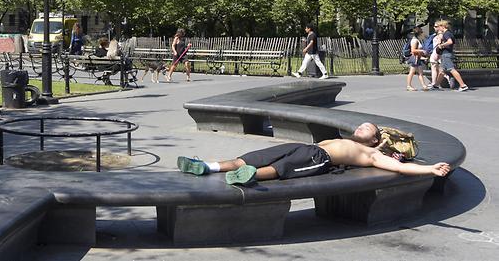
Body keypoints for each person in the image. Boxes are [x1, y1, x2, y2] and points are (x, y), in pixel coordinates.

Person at [177, 122, 451, 185]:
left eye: (367, 127)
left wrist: (430, 169)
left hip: (319, 160)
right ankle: (208, 167)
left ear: (376, 139)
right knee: (250, 156)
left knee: (281, 168)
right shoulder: (346, 138)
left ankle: (249, 178)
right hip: (306, 148)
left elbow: (401, 167)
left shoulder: (372, 155)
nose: (361, 126)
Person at [432, 20, 469, 92]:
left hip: (446, 54)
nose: (438, 28)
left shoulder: (446, 33)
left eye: (439, 26)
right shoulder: (449, 33)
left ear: (443, 26)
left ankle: (463, 85)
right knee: (442, 71)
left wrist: (441, 45)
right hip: (446, 53)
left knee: (451, 69)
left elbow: (450, 42)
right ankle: (436, 85)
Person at [404, 26, 430, 91]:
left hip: (418, 58)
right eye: (422, 33)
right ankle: (408, 85)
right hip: (414, 58)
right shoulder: (414, 40)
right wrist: (422, 51)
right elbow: (413, 50)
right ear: (419, 33)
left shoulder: (418, 39)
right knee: (412, 72)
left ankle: (424, 85)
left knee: (420, 73)